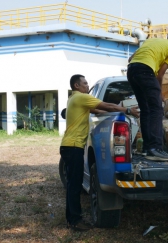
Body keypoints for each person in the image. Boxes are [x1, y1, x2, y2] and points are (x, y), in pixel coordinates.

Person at [60, 74, 139, 231]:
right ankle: (75, 221)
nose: (87, 86)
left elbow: (97, 111)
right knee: (75, 186)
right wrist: (128, 109)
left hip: (69, 146)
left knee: (72, 185)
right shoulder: (81, 97)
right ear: (77, 86)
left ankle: (71, 219)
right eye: (84, 83)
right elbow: (107, 107)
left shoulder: (74, 99)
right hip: (73, 146)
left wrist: (119, 106)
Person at [127, 31, 168, 161]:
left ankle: (147, 148)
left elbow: (131, 58)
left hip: (132, 71)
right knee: (156, 109)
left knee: (146, 110)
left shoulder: (151, 41)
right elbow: (160, 74)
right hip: (145, 72)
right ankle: (155, 148)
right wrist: (159, 93)